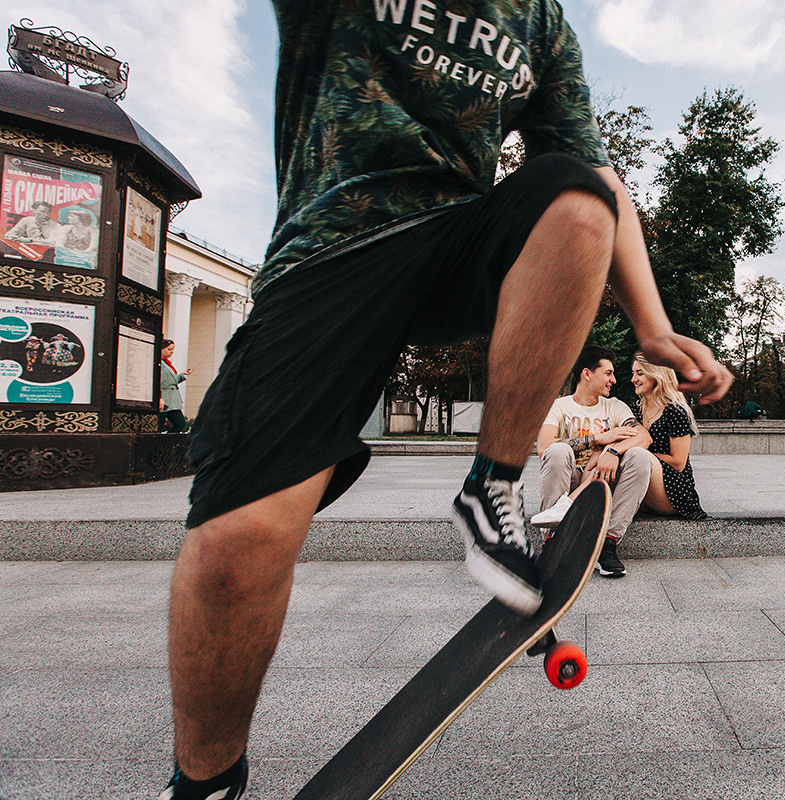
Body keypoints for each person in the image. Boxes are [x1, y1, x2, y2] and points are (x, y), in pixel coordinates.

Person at [160, 4, 733, 799]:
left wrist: (654, 326)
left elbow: (602, 179)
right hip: (335, 253)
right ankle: (208, 783)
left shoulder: (536, 20)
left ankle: (490, 482)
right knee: (236, 545)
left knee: (576, 195)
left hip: (459, 246)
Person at [534, 344, 654, 578]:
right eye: (608, 373)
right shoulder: (559, 406)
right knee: (558, 451)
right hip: (569, 479)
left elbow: (643, 436)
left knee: (640, 456)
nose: (614, 380)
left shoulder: (615, 406)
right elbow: (544, 446)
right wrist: (598, 438)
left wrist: (612, 451)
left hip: (604, 481)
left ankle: (607, 544)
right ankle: (553, 542)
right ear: (587, 374)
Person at [631, 352, 707, 520]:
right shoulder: (634, 409)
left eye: (640, 373)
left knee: (637, 456)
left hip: (674, 492)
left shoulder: (675, 411)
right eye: (633, 373)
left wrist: (640, 456)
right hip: (644, 485)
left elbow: (679, 463)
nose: (633, 379)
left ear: (656, 374)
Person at [159, 339, 193, 433]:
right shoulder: (158, 363)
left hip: (172, 401)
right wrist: (159, 397)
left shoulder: (167, 363)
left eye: (173, 350)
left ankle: (166, 443)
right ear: (161, 349)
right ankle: (159, 445)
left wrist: (183, 374)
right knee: (159, 425)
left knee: (180, 423)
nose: (172, 352)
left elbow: (171, 381)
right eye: (169, 349)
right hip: (164, 401)